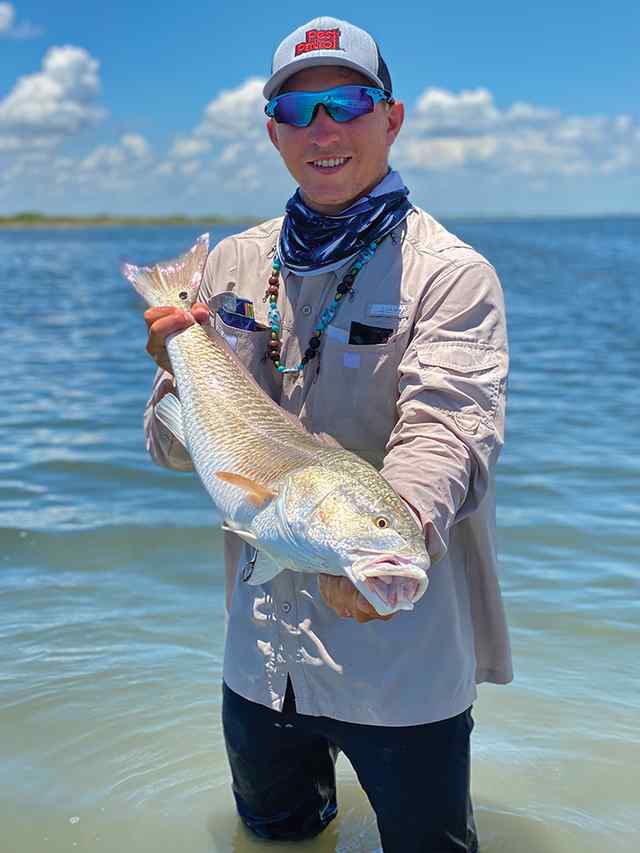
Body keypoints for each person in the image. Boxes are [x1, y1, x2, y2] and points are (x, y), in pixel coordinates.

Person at [143, 16, 512, 853]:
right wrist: (177, 372)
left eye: (348, 101)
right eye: (298, 111)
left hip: (401, 659)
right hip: (260, 656)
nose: (325, 130)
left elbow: (449, 431)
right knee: (274, 841)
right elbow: (174, 451)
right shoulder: (230, 265)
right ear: (273, 132)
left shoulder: (450, 274)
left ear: (392, 117)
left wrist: (393, 538)